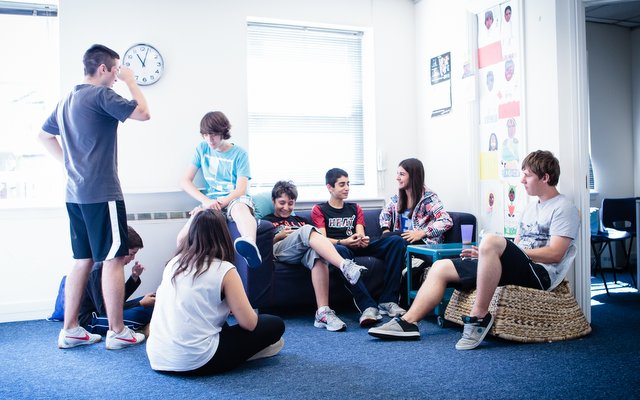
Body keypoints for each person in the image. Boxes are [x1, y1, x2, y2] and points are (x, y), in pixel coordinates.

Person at [368, 151, 580, 351]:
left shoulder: (564, 208)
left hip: (540, 273)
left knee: (490, 240)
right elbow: (517, 245)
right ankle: (408, 322)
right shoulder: (530, 208)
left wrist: (495, 249)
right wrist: (489, 255)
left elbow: (555, 253)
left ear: (545, 177)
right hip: (519, 265)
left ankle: (479, 317)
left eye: (527, 176)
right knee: (441, 267)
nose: (522, 180)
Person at [38, 44, 150, 350]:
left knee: (82, 260)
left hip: (75, 193)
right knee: (114, 259)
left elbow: (44, 136)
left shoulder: (65, 100)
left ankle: (70, 329)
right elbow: (143, 113)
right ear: (103, 68)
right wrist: (131, 81)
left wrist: (69, 165)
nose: (116, 76)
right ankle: (117, 332)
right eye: (115, 70)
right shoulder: (100, 94)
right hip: (102, 192)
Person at [146, 208, 285, 375]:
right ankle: (247, 354)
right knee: (274, 324)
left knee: (214, 319)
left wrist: (195, 216)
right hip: (196, 360)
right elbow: (249, 324)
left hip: (158, 358)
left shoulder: (174, 263)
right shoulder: (224, 269)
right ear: (223, 235)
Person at [263, 181, 367, 331]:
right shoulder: (267, 221)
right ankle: (345, 265)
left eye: (290, 203)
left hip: (302, 252)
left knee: (318, 253)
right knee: (306, 230)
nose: (286, 207)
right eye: (281, 203)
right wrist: (279, 236)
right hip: (280, 250)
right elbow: (261, 244)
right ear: (273, 201)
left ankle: (323, 312)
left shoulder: (300, 220)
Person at [312, 168, 407, 327]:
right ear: (330, 187)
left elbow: (360, 232)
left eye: (348, 184)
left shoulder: (355, 207)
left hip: (356, 244)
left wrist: (362, 239)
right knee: (340, 251)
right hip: (341, 246)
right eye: (342, 184)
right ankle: (368, 306)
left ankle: (388, 300)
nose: (347, 188)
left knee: (396, 241)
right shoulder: (320, 209)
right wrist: (344, 241)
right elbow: (321, 239)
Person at [179, 111, 261, 268]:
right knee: (181, 238)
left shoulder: (240, 154)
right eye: (206, 135)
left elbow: (241, 189)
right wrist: (207, 201)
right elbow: (185, 181)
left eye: (214, 135)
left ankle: (250, 243)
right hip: (211, 201)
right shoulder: (202, 149)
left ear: (223, 132)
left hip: (233, 198)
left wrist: (221, 202)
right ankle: (184, 271)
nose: (210, 139)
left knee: (239, 209)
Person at [79, 226, 155, 336]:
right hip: (91, 321)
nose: (133, 258)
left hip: (104, 313)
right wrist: (140, 303)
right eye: (131, 254)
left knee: (155, 300)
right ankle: (142, 329)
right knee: (144, 311)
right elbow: (104, 309)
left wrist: (134, 277)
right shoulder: (97, 270)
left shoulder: (110, 266)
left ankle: (144, 325)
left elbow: (117, 299)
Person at [379, 158, 453, 245]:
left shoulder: (429, 198)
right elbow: (385, 212)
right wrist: (385, 229)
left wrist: (421, 233)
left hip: (423, 243)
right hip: (402, 241)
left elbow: (446, 221)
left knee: (388, 239)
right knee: (387, 238)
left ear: (413, 177)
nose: (397, 178)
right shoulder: (398, 197)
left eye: (402, 174)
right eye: (397, 174)